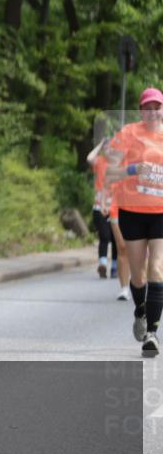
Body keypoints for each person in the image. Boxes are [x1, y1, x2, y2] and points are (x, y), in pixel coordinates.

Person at [104, 87, 163, 356]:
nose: (153, 112)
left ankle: (152, 332)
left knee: (157, 268)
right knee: (138, 276)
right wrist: (133, 169)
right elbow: (110, 173)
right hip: (132, 211)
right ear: (141, 111)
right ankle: (140, 310)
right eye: (148, 107)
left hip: (160, 212)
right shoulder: (128, 134)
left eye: (157, 107)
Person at [87, 138, 117, 281]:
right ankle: (103, 264)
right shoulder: (100, 162)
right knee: (104, 236)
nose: (108, 150)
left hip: (116, 207)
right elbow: (89, 158)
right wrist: (100, 144)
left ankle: (115, 267)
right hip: (100, 206)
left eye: (110, 148)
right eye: (106, 148)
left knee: (117, 239)